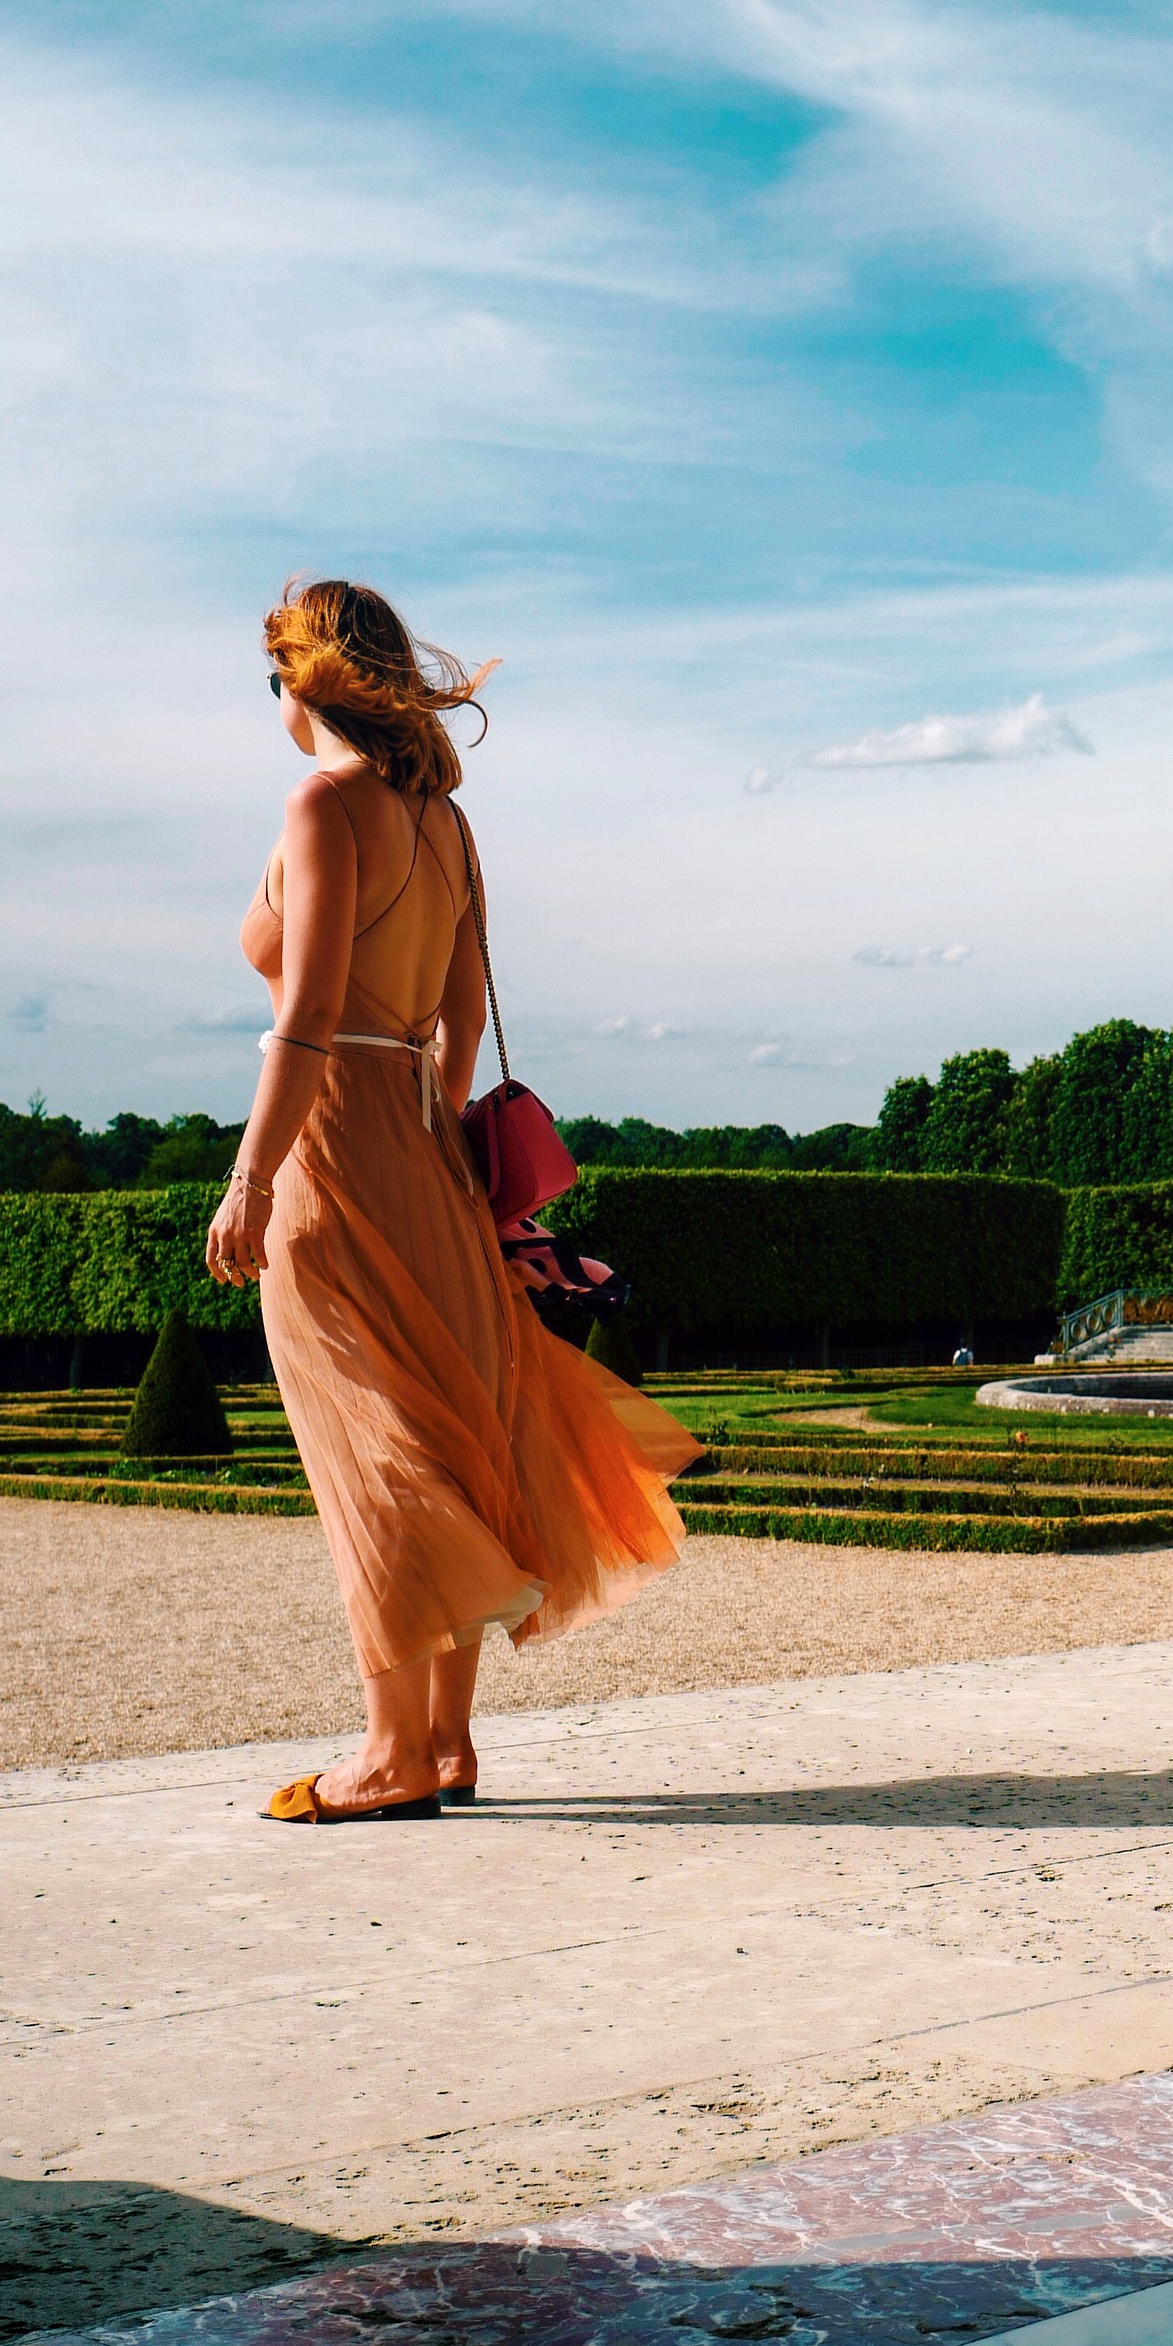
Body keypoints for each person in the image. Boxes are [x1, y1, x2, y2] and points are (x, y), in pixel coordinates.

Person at [207, 579, 695, 1819]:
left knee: (368, 1443)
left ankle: (389, 1751)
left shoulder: (321, 803)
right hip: (424, 1135)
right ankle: (450, 1742)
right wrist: (434, 1124)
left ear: (297, 681)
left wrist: (254, 1177)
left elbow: (306, 1017)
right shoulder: (447, 825)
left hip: (334, 1145)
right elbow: (462, 1009)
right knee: (455, 1427)